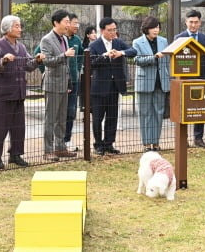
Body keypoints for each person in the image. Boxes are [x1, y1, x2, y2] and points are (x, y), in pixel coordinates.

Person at [0, 15, 45, 169]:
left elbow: (29, 66)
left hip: (19, 93)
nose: (20, 29)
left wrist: (38, 60)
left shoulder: (22, 47)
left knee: (18, 127)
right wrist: (4, 60)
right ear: (7, 28)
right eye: (17, 26)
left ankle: (15, 155)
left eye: (20, 26)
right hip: (3, 95)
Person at [89, 17, 137, 155]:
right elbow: (90, 63)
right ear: (102, 30)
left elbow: (133, 51)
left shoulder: (118, 42)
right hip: (99, 87)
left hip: (115, 86)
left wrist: (121, 53)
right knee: (98, 117)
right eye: (110, 30)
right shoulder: (94, 45)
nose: (113, 33)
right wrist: (105, 56)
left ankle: (109, 143)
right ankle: (98, 144)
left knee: (112, 116)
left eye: (115, 30)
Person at [41, 9, 77, 161]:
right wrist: (64, 55)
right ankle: (48, 150)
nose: (68, 24)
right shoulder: (47, 39)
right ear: (56, 22)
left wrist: (69, 82)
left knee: (62, 118)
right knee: (50, 119)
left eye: (69, 22)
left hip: (64, 83)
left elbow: (67, 65)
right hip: (52, 84)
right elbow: (47, 61)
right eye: (66, 22)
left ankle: (60, 147)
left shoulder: (64, 39)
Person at [174, 9, 205, 148]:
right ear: (186, 22)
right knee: (184, 107)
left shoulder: (204, 39)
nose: (193, 25)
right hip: (184, 78)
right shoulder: (179, 38)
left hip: (201, 78)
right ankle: (183, 138)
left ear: (200, 23)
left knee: (199, 107)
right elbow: (175, 59)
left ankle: (198, 138)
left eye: (196, 22)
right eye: (191, 22)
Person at [132, 16, 170, 152]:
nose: (156, 30)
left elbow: (168, 62)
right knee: (145, 113)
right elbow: (137, 60)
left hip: (161, 82)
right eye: (154, 27)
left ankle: (156, 142)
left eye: (158, 27)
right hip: (145, 83)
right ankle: (147, 143)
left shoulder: (164, 41)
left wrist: (168, 77)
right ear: (146, 29)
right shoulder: (137, 42)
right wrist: (154, 57)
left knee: (158, 113)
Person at [64, 13, 84, 151]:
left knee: (71, 111)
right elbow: (39, 55)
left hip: (74, 82)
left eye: (78, 23)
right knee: (59, 112)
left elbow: (81, 56)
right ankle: (57, 141)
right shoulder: (57, 39)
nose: (77, 26)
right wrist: (45, 73)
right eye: (74, 23)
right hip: (60, 82)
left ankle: (67, 140)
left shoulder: (77, 39)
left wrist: (76, 69)